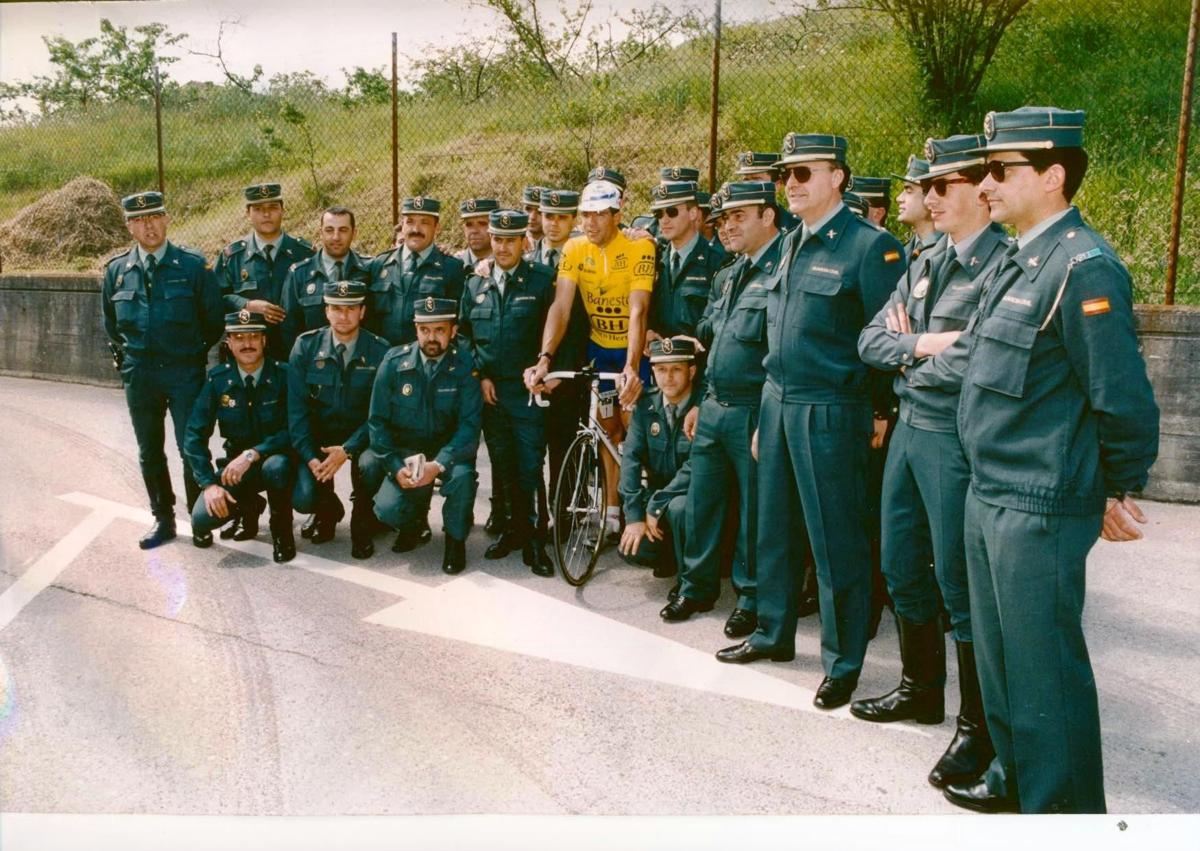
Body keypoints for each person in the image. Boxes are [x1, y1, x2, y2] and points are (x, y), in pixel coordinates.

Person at [943, 107, 1159, 814]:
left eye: (1003, 170)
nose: (988, 183)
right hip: (991, 488)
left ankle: (1064, 813)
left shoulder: (1083, 266)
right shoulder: (1023, 257)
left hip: (1038, 498)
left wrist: (1117, 484)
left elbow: (1120, 396)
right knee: (1004, 667)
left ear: (1054, 175)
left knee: (1045, 676)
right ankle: (1015, 779)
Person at [715, 133, 906, 715]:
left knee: (833, 538)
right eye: (785, 175)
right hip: (777, 401)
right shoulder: (789, 243)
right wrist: (766, 412)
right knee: (771, 526)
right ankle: (772, 632)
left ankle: (842, 663)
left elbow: (887, 338)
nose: (791, 183)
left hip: (831, 406)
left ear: (838, 178)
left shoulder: (871, 248)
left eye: (804, 172)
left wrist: (880, 413)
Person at [855, 133, 1009, 792]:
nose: (930, 194)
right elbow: (871, 339)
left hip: (953, 436)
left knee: (958, 581)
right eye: (930, 184)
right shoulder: (926, 259)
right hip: (911, 431)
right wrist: (922, 343)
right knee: (898, 559)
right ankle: (922, 687)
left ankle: (978, 725)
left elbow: (977, 361)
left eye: (944, 184)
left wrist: (911, 352)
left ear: (982, 188)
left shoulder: (1004, 265)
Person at [664, 182, 780, 637]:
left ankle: (751, 598)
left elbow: (779, 353)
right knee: (702, 503)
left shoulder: (781, 273)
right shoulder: (728, 274)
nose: (727, 227)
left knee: (755, 511)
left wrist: (768, 419)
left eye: (739, 217)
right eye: (723, 219)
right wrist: (701, 401)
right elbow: (710, 337)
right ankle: (696, 586)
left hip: (753, 409)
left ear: (768, 217)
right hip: (714, 405)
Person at [524, 179, 656, 537]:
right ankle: (612, 512)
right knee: (607, 431)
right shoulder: (574, 248)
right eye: (585, 215)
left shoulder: (639, 247)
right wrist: (545, 357)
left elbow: (637, 310)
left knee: (635, 433)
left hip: (632, 352)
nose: (591, 223)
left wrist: (632, 367)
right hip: (600, 354)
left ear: (617, 215)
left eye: (599, 215)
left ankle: (644, 512)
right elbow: (561, 307)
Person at [101, 191, 224, 549]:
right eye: (139, 220)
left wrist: (190, 353)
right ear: (128, 225)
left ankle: (198, 519)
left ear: (166, 218)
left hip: (184, 370)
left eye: (154, 216)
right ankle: (163, 519)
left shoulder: (191, 266)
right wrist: (132, 360)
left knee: (191, 446)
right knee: (149, 449)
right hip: (141, 375)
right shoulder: (117, 271)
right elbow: (111, 325)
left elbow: (213, 320)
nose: (148, 225)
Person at [458, 209, 556, 575]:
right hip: (492, 391)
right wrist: (479, 374)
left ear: (523, 243)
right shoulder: (475, 283)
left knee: (531, 466)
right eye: (497, 239)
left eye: (509, 240)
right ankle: (514, 531)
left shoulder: (542, 280)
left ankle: (536, 540)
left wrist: (547, 369)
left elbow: (557, 329)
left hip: (528, 390)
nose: (501, 247)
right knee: (503, 466)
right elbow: (465, 333)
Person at [365, 297, 483, 574]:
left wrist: (438, 464)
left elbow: (469, 427)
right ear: (416, 329)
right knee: (387, 509)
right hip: (407, 450)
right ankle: (414, 524)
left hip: (449, 451)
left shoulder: (465, 365)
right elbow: (377, 422)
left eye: (440, 330)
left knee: (463, 478)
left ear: (453, 331)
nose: (432, 338)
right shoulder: (393, 362)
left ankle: (455, 541)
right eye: (425, 330)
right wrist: (395, 468)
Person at [287, 280, 391, 559]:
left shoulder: (381, 351)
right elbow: (296, 413)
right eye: (336, 308)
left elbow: (379, 415)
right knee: (303, 496)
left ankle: (362, 519)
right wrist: (310, 457)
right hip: (320, 439)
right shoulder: (305, 346)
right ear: (326, 311)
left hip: (361, 436)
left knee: (369, 465)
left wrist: (347, 450)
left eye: (351, 308)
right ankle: (327, 509)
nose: (343, 315)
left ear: (362, 312)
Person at [184, 310, 296, 562]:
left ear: (264, 341)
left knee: (276, 466)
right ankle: (250, 507)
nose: (247, 344)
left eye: (254, 336)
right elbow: (193, 435)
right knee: (202, 518)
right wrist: (209, 484)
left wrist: (254, 453)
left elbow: (297, 429)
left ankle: (282, 534)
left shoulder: (285, 375)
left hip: (277, 462)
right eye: (240, 337)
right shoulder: (218, 380)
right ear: (229, 344)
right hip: (237, 469)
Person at [617, 337, 698, 579]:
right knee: (634, 549)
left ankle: (690, 581)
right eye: (661, 370)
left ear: (691, 372)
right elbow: (630, 460)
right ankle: (671, 557)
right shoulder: (646, 406)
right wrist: (633, 517)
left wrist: (656, 504)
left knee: (679, 508)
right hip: (660, 498)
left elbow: (695, 467)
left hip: (696, 499)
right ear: (653, 371)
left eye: (676, 369)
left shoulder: (701, 408)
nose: (668, 377)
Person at [214, 182, 314, 362]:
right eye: (258, 209)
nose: (266, 214)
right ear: (248, 213)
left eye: (272, 207)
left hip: (296, 353)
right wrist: (247, 305)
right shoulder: (232, 257)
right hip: (249, 358)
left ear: (283, 210)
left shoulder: (304, 253)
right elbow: (215, 299)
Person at [365, 196, 467, 347]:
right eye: (410, 221)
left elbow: (459, 324)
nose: (415, 230)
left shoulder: (452, 268)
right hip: (384, 358)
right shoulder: (379, 264)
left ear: (436, 227)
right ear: (402, 225)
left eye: (424, 222)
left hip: (427, 361)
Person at [279, 206, 371, 354]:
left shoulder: (370, 269)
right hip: (313, 365)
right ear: (320, 232)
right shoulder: (299, 274)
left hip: (361, 363)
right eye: (329, 230)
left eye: (343, 230)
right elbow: (289, 328)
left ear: (354, 233)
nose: (335, 237)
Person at [647, 180, 724, 342]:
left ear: (693, 213)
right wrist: (648, 331)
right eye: (659, 214)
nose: (664, 220)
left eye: (672, 211)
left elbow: (720, 320)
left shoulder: (718, 262)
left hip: (699, 358)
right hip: (661, 359)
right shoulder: (655, 258)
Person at [733, 150, 801, 233]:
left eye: (756, 181)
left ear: (777, 185)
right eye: (746, 180)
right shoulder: (732, 225)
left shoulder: (794, 227)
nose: (749, 186)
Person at [892, 156, 940, 261]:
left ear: (930, 195)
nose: (899, 198)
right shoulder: (903, 252)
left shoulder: (945, 251)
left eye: (909, 191)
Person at [456, 197, 499, 267]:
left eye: (482, 224)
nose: (474, 230)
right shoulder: (454, 264)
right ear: (464, 228)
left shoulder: (507, 264)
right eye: (469, 225)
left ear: (495, 227)